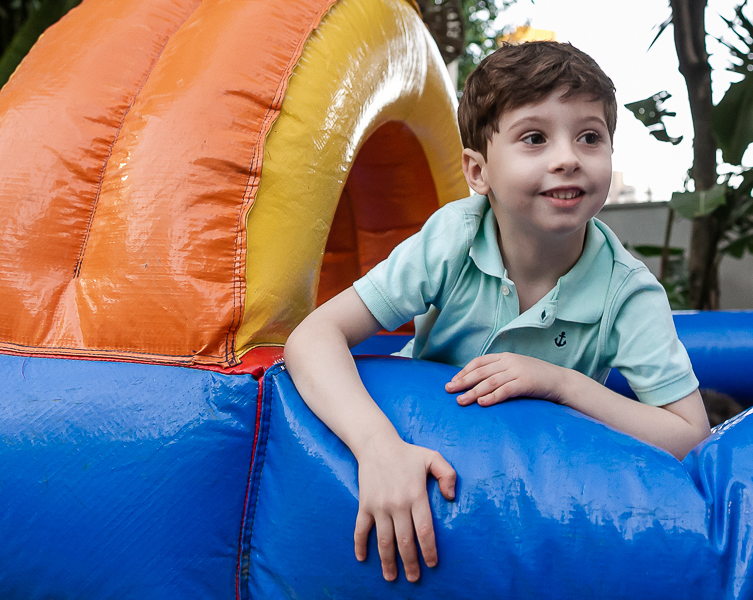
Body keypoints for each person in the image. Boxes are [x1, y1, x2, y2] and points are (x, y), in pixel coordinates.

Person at [283, 41, 710, 583]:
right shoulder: (452, 240)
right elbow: (313, 336)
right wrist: (377, 446)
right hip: (418, 440)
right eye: (535, 138)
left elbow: (691, 434)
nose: (567, 157)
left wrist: (559, 384)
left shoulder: (627, 291)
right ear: (478, 172)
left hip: (532, 494)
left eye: (590, 137)